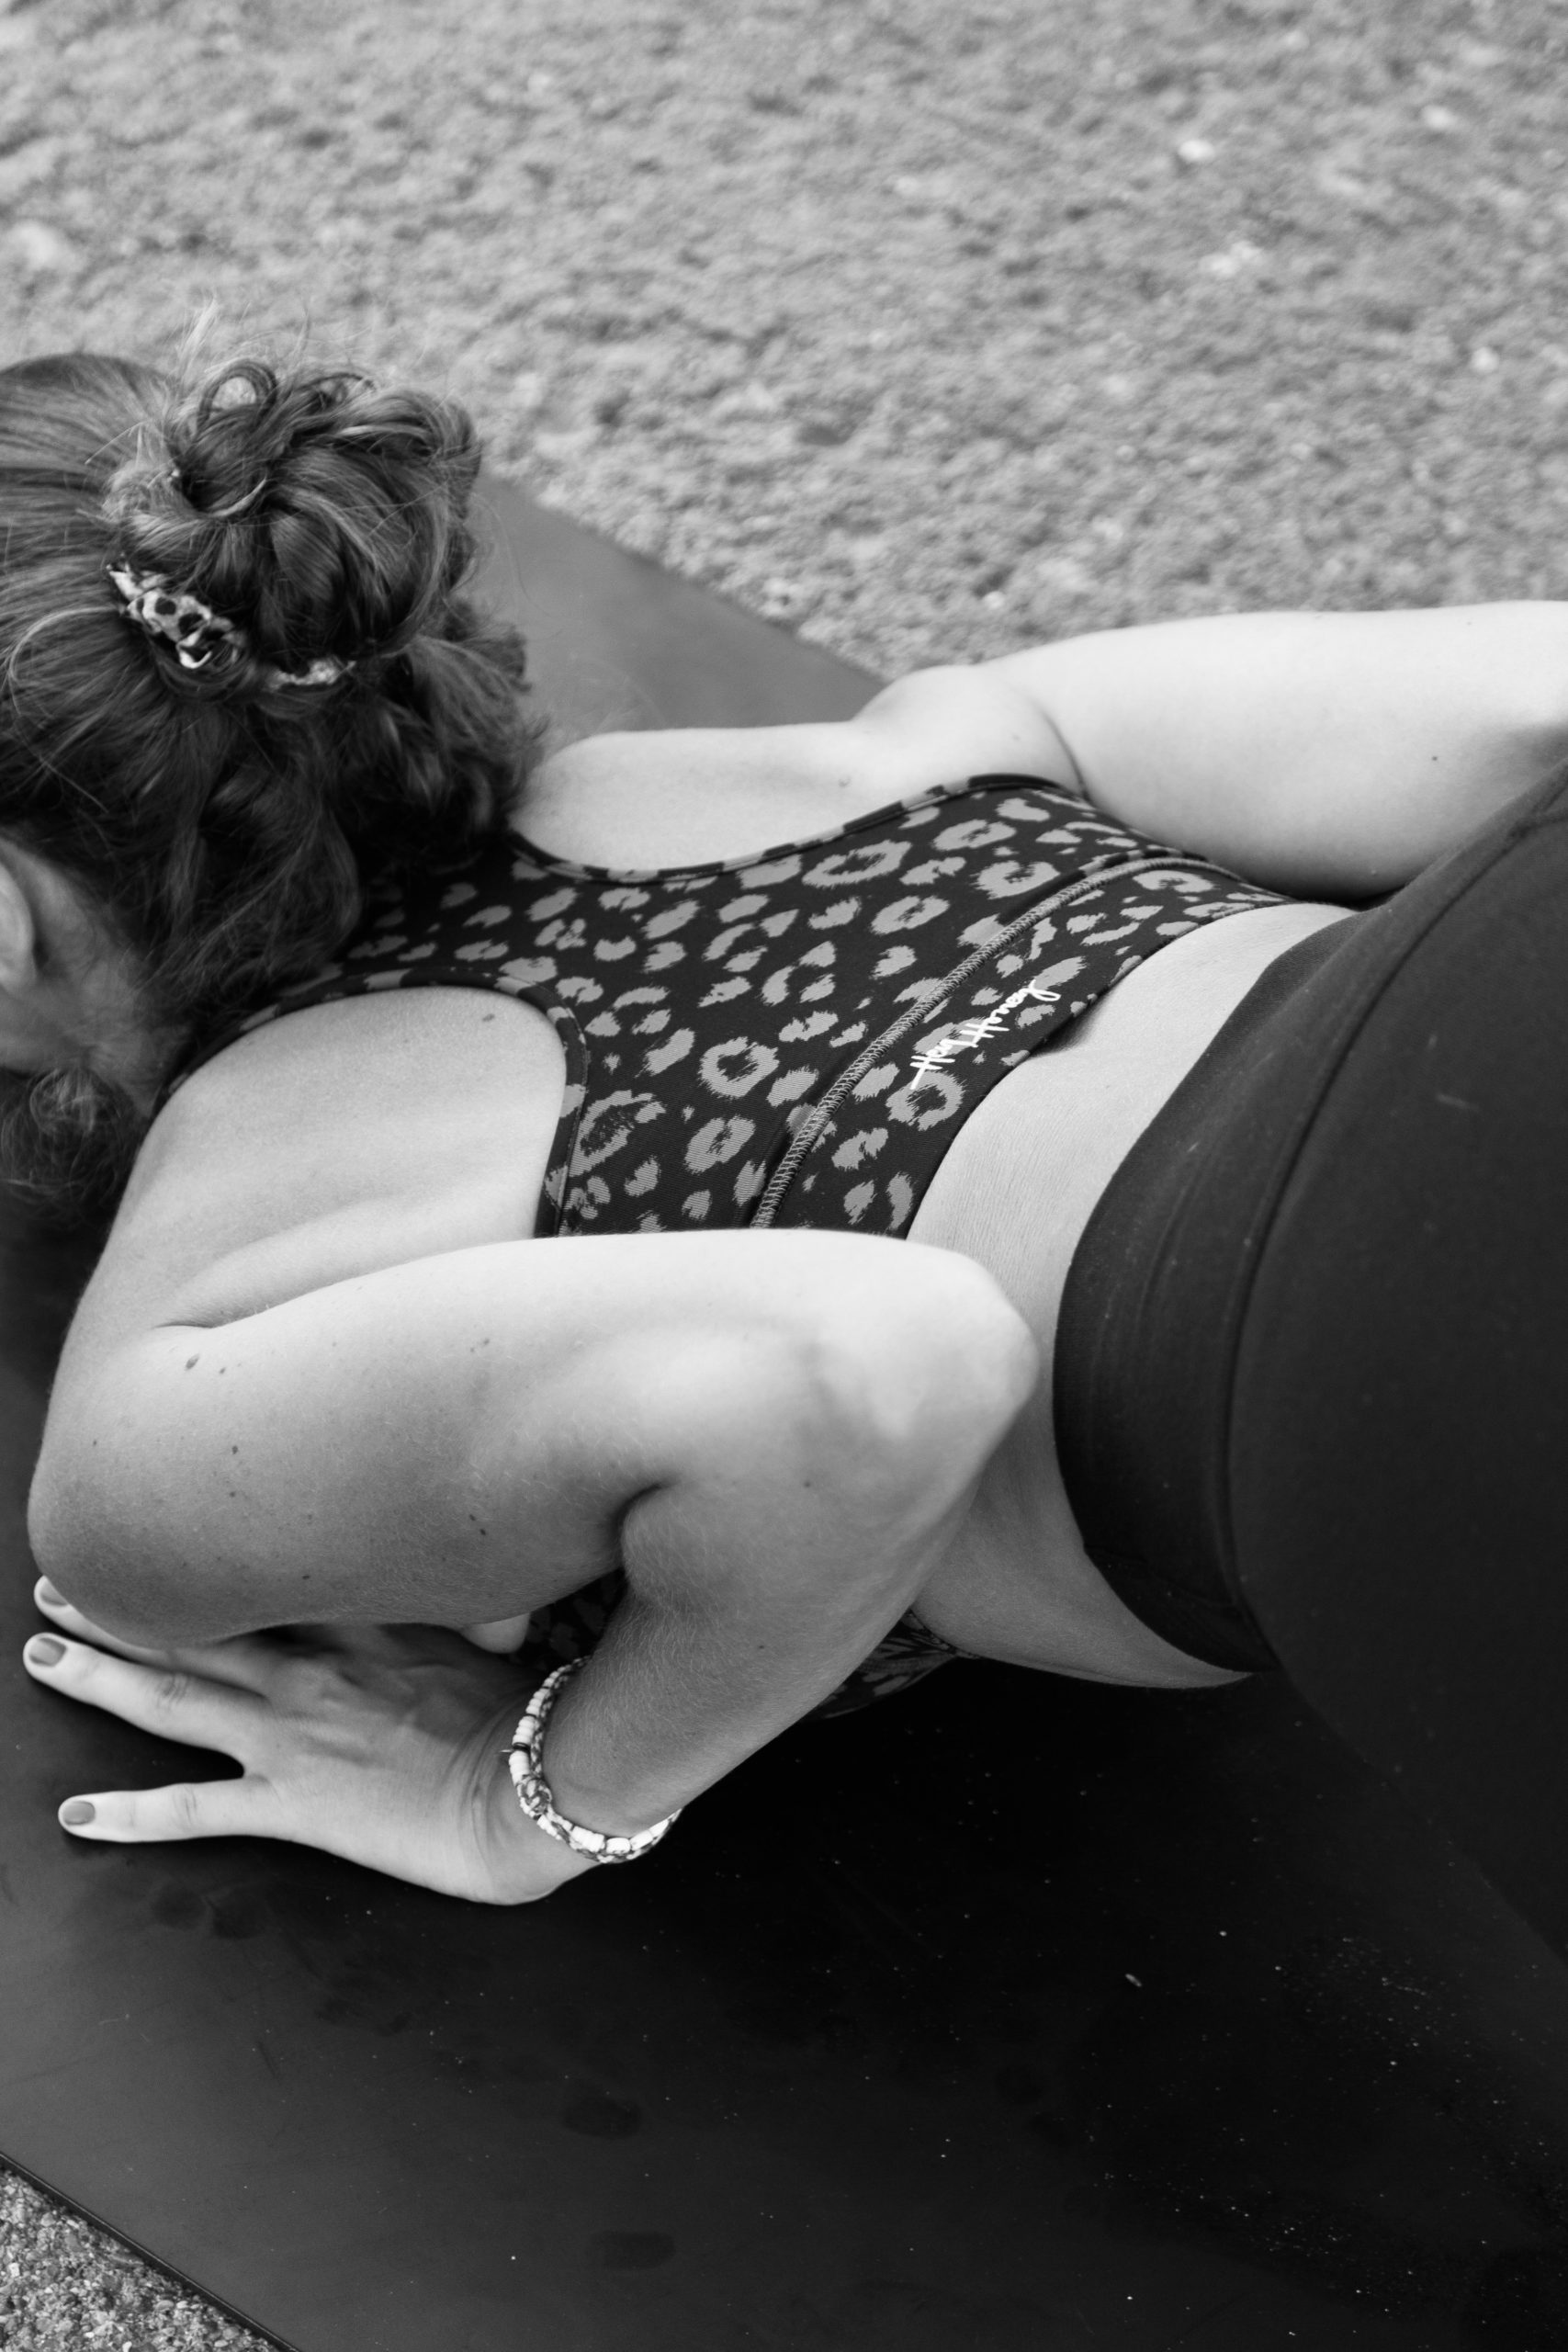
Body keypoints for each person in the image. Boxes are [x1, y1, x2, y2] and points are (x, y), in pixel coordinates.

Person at [9, 349, 1568, 1945]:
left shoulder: (177, 1366)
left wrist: (532, 1800)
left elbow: (878, 1369)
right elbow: (1539, 701)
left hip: (1396, 1391)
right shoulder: (914, 743)